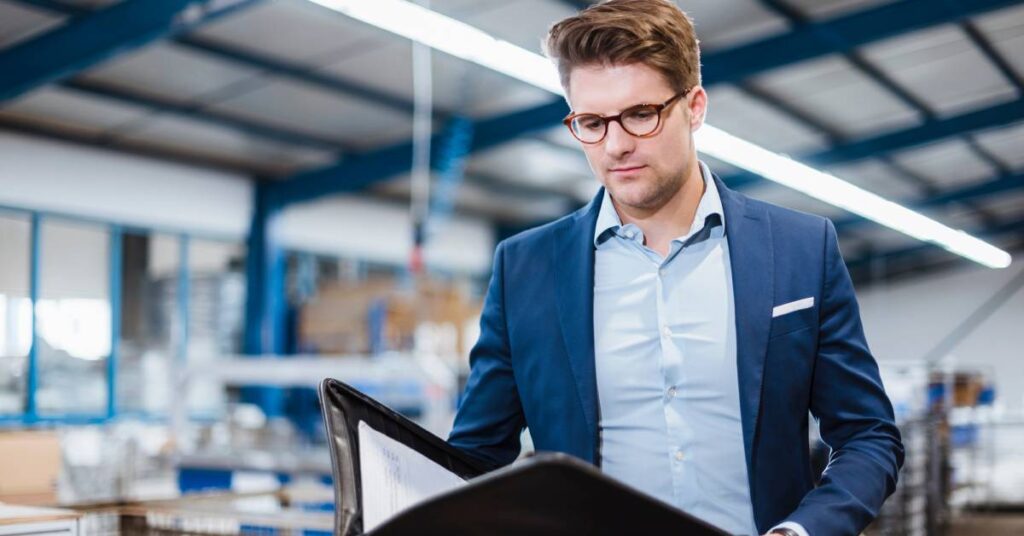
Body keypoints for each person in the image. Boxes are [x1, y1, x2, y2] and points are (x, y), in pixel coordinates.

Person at [447, 1, 904, 534]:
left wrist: (804, 530)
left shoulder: (801, 248)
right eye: (591, 122)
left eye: (641, 114)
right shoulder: (525, 269)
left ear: (695, 107)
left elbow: (869, 434)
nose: (616, 146)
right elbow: (474, 459)